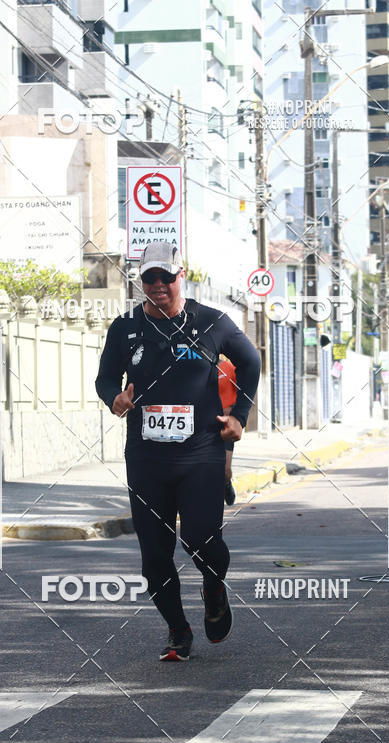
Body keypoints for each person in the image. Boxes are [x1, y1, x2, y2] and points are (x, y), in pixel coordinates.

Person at [96, 241, 261, 661]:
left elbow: (250, 361)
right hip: (147, 458)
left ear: (179, 276)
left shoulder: (211, 322)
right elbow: (104, 380)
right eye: (148, 278)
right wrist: (114, 398)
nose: (157, 286)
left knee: (201, 538)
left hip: (201, 453)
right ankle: (178, 631)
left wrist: (239, 415)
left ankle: (213, 585)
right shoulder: (124, 326)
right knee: (154, 556)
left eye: (164, 278)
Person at [218, 354, 237, 505]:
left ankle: (227, 484)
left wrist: (233, 411)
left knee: (224, 470)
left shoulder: (228, 368)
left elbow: (243, 393)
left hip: (225, 425)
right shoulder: (197, 368)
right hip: (202, 425)